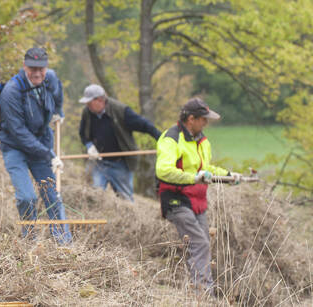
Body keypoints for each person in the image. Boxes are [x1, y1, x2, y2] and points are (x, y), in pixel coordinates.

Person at [156, 97, 241, 295]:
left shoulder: (202, 141)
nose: (206, 123)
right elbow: (163, 171)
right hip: (176, 199)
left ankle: (195, 292)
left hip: (198, 201)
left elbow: (206, 169)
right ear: (191, 119)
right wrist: (194, 178)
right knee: (200, 242)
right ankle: (204, 293)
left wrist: (228, 176)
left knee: (199, 244)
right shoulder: (171, 138)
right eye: (204, 119)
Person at [0, 47, 72, 244]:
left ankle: (64, 244)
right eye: (32, 68)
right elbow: (19, 133)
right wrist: (50, 155)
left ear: (46, 68)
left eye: (41, 68)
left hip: (41, 141)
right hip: (15, 147)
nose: (37, 73)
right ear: (24, 66)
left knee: (52, 195)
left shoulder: (51, 78)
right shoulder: (11, 92)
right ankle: (29, 241)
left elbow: (58, 94)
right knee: (27, 197)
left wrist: (59, 112)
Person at [78, 84, 162, 201]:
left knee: (125, 200)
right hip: (98, 163)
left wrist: (162, 138)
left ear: (100, 100)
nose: (87, 105)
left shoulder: (121, 111)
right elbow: (83, 134)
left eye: (89, 102)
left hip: (120, 164)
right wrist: (89, 146)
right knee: (93, 197)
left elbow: (144, 125)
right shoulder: (87, 112)